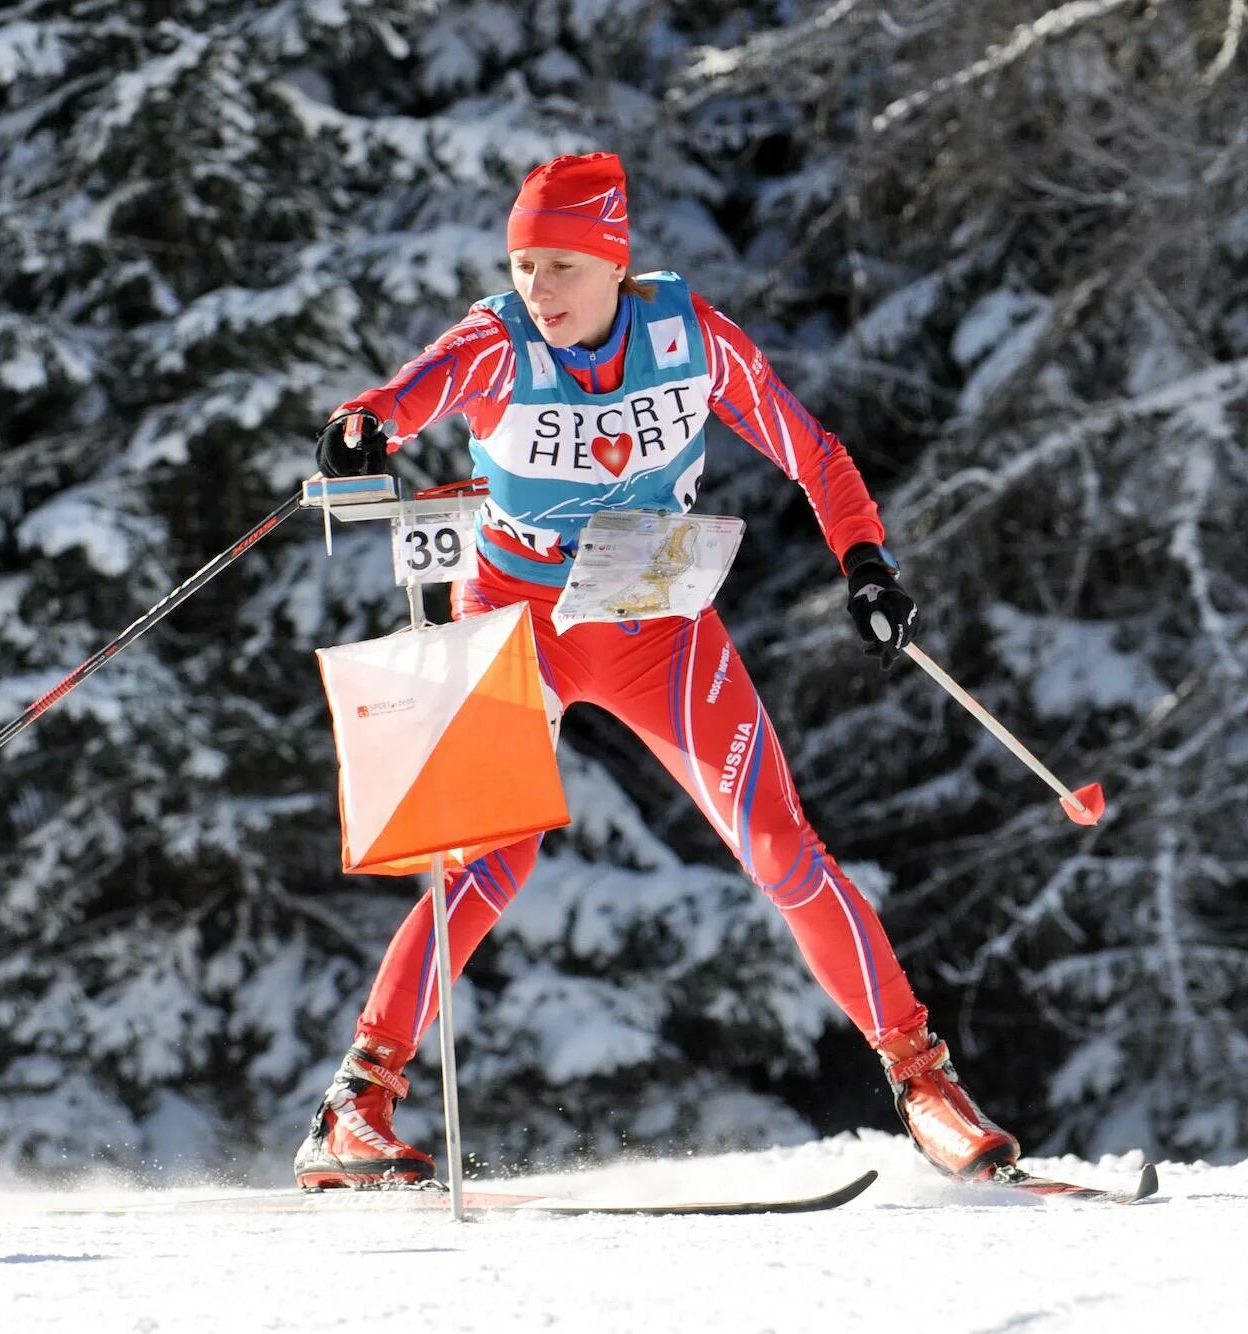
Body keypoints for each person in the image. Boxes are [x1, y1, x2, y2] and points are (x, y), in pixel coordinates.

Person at [294, 152, 1018, 1189]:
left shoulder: (686, 340)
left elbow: (811, 451)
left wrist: (864, 560)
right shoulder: (497, 340)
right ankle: (354, 1108)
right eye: (521, 263)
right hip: (515, 621)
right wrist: (363, 429)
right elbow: (406, 395)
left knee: (778, 844)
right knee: (489, 861)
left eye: (557, 266)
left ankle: (924, 1083)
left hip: (652, 621)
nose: (535, 289)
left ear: (612, 262)